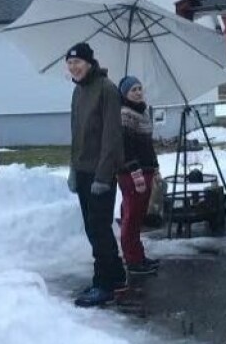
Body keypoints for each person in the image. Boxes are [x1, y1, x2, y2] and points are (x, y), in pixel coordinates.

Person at [65, 42, 126, 307]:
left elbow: (112, 136)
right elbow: (77, 134)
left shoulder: (107, 89)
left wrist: (103, 175)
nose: (73, 68)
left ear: (90, 63)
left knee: (99, 228)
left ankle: (103, 284)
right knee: (93, 228)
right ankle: (115, 274)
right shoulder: (78, 92)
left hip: (101, 172)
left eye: (77, 62)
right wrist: (73, 168)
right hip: (83, 170)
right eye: (69, 64)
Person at [116, 75, 160, 276]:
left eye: (140, 88)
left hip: (146, 170)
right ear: (124, 93)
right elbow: (126, 147)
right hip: (132, 173)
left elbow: (147, 146)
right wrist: (136, 172)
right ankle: (132, 260)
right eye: (133, 89)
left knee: (138, 216)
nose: (138, 92)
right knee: (131, 217)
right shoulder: (125, 114)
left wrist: (155, 166)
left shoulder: (142, 112)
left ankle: (139, 255)